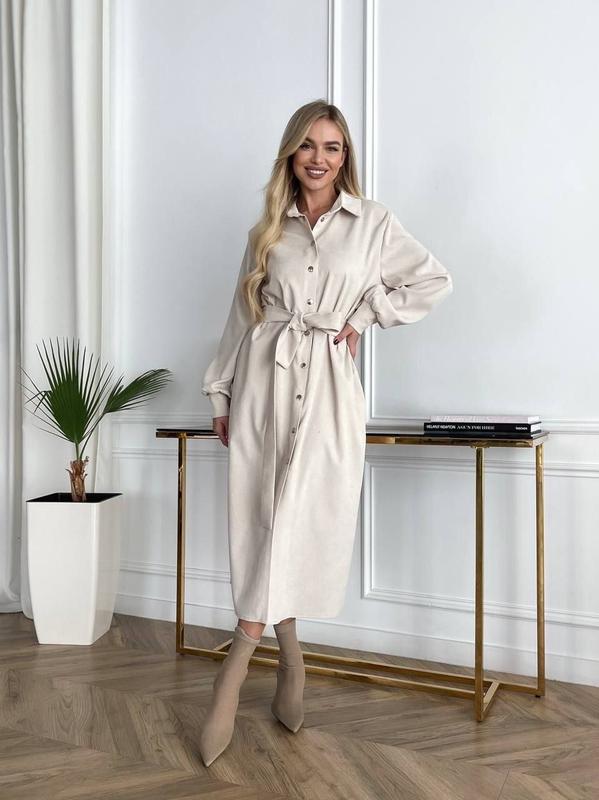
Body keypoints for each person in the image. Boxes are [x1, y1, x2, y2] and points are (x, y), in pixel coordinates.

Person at [198, 99, 453, 765]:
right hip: (262, 384)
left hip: (330, 395)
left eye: (332, 147)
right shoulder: (268, 230)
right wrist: (221, 391)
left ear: (345, 158)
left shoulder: (374, 224)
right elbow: (241, 316)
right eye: (308, 145)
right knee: (260, 521)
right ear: (291, 152)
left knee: (300, 521)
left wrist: (364, 316)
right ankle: (287, 655)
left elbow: (433, 280)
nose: (319, 158)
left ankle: (236, 668)